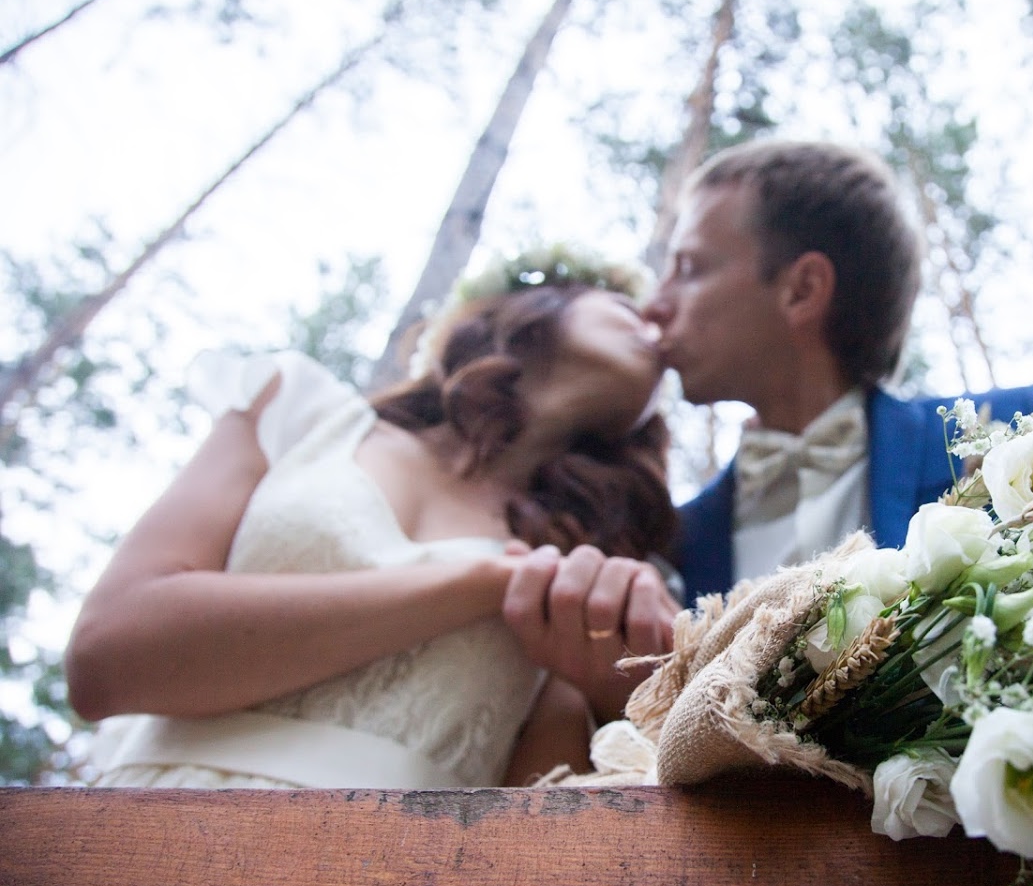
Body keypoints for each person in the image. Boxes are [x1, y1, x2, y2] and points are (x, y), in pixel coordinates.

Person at [66, 276, 681, 789]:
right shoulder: (297, 411)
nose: (655, 326)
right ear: (536, 309)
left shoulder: (590, 573)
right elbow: (106, 656)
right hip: (134, 835)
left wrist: (608, 693)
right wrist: (480, 583)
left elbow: (533, 825)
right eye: (628, 306)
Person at [503, 139, 1033, 657]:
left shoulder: (1011, 441)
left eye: (688, 268)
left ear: (802, 290)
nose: (653, 308)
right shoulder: (676, 543)